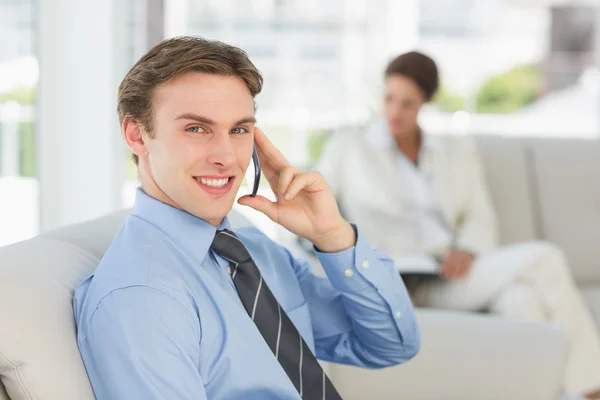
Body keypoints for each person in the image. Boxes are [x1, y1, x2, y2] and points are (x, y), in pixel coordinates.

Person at [72, 37, 420, 400]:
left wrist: (333, 235)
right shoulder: (141, 298)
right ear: (136, 135)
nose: (226, 156)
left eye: (238, 130)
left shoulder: (252, 249)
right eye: (197, 129)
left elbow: (390, 345)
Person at [316, 51, 600, 399]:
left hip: (448, 276)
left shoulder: (455, 152)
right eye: (389, 99)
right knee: (545, 257)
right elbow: (316, 209)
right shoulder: (349, 148)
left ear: (427, 101)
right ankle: (590, 389)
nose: (394, 112)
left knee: (522, 300)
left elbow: (480, 216)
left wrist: (467, 250)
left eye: (407, 103)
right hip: (391, 278)